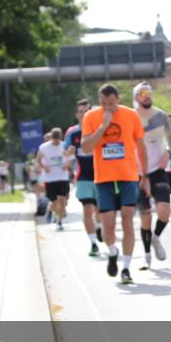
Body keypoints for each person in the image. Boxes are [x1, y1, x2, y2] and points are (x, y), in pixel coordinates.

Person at [81, 83, 148, 285]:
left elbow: (141, 145)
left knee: (128, 220)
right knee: (108, 227)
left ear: (118, 99)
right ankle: (112, 251)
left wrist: (145, 175)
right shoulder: (91, 117)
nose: (108, 107)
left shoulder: (131, 115)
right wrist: (103, 126)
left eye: (111, 103)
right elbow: (85, 147)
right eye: (103, 103)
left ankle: (126, 268)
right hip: (104, 178)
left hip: (128, 176)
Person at [133, 82, 171, 269]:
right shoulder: (131, 117)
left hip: (158, 169)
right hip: (138, 173)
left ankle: (156, 238)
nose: (147, 96)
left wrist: (167, 151)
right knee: (146, 216)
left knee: (164, 211)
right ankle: (147, 255)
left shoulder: (160, 115)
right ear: (136, 97)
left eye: (149, 93)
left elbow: (170, 138)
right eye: (142, 93)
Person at [64, 99, 104, 256]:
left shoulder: (98, 129)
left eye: (86, 111)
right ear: (76, 114)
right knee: (87, 209)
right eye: (80, 112)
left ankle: (99, 227)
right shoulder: (72, 133)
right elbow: (65, 151)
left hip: (101, 175)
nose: (83, 114)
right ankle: (93, 243)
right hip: (83, 176)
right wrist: (69, 151)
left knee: (99, 211)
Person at [37, 128, 71, 230]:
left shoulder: (64, 145)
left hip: (62, 177)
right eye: (54, 139)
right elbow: (38, 159)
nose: (56, 142)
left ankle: (59, 222)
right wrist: (44, 167)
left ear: (60, 138)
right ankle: (51, 210)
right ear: (51, 138)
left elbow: (70, 158)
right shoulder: (44, 147)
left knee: (62, 200)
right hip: (50, 178)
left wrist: (67, 164)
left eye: (57, 139)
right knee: (54, 202)